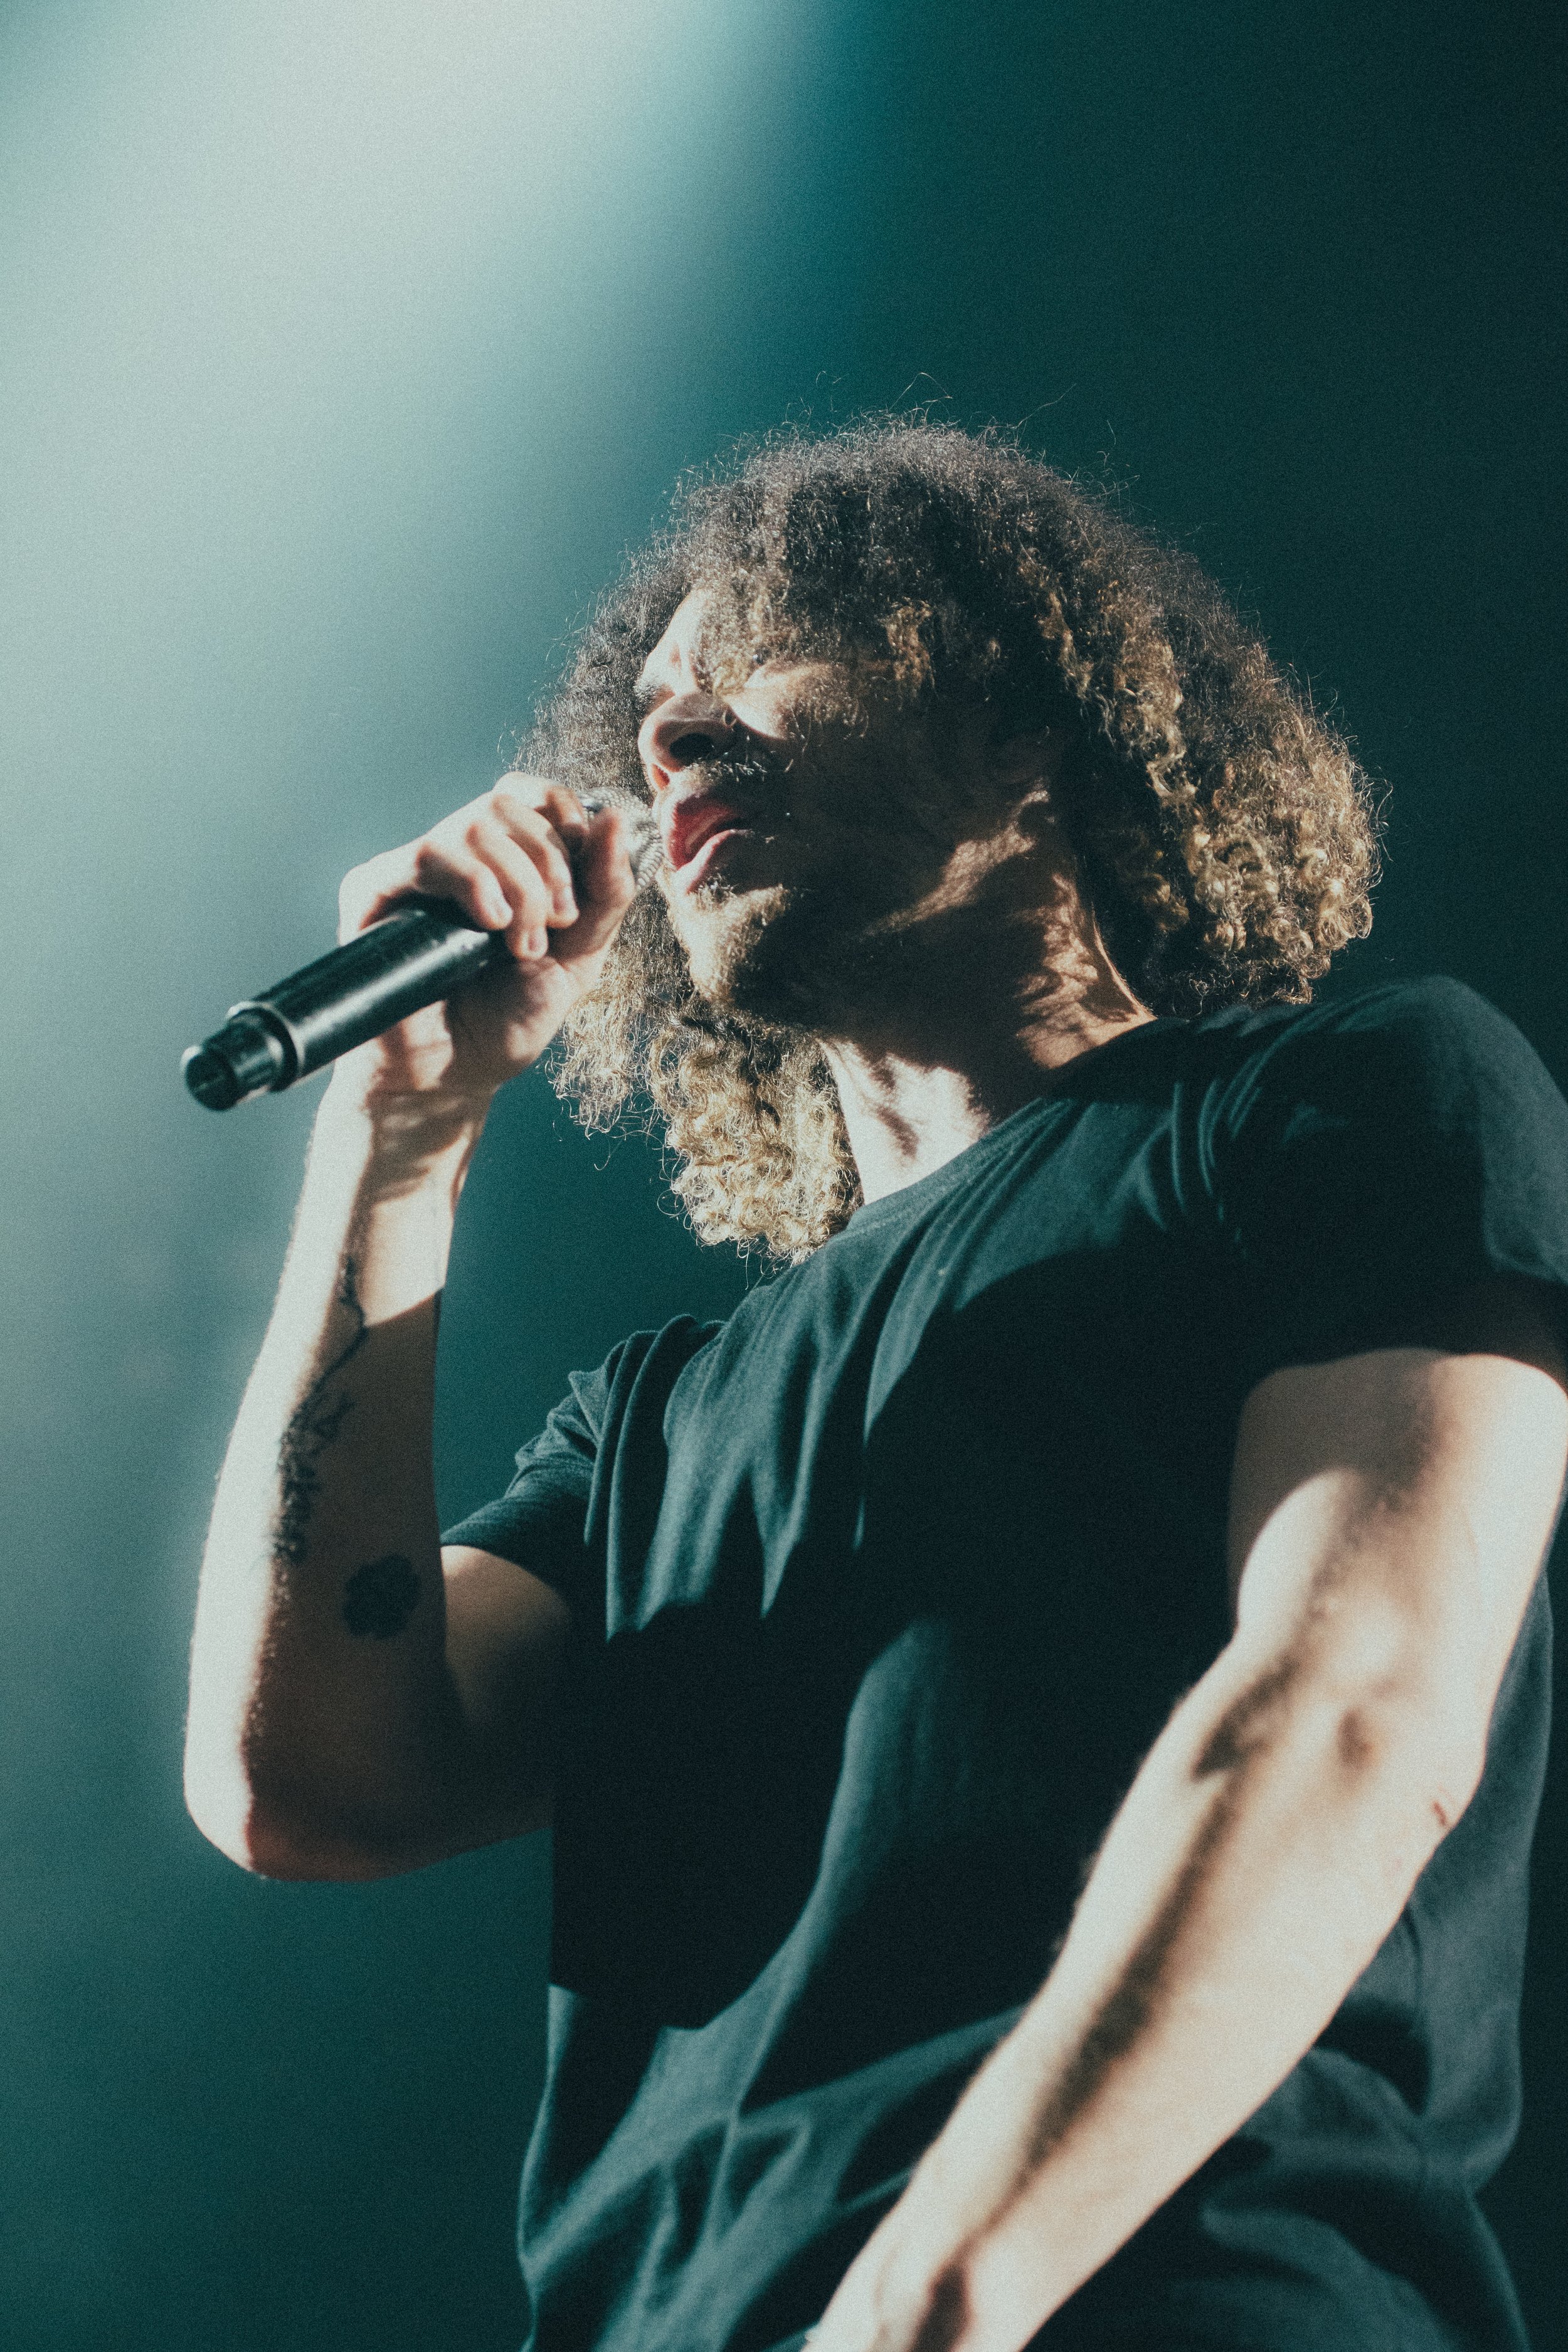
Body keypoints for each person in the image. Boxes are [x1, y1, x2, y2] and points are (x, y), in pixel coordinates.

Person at [185, 421, 1568, 2352]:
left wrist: (942, 2288)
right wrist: (397, 1143)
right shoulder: (658, 1414)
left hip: (1149, 2298)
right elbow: (307, 1783)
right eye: (649, 715)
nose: (667, 739)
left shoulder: (1335, 1105)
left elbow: (1354, 1708)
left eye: (757, 653)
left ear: (1023, 709)